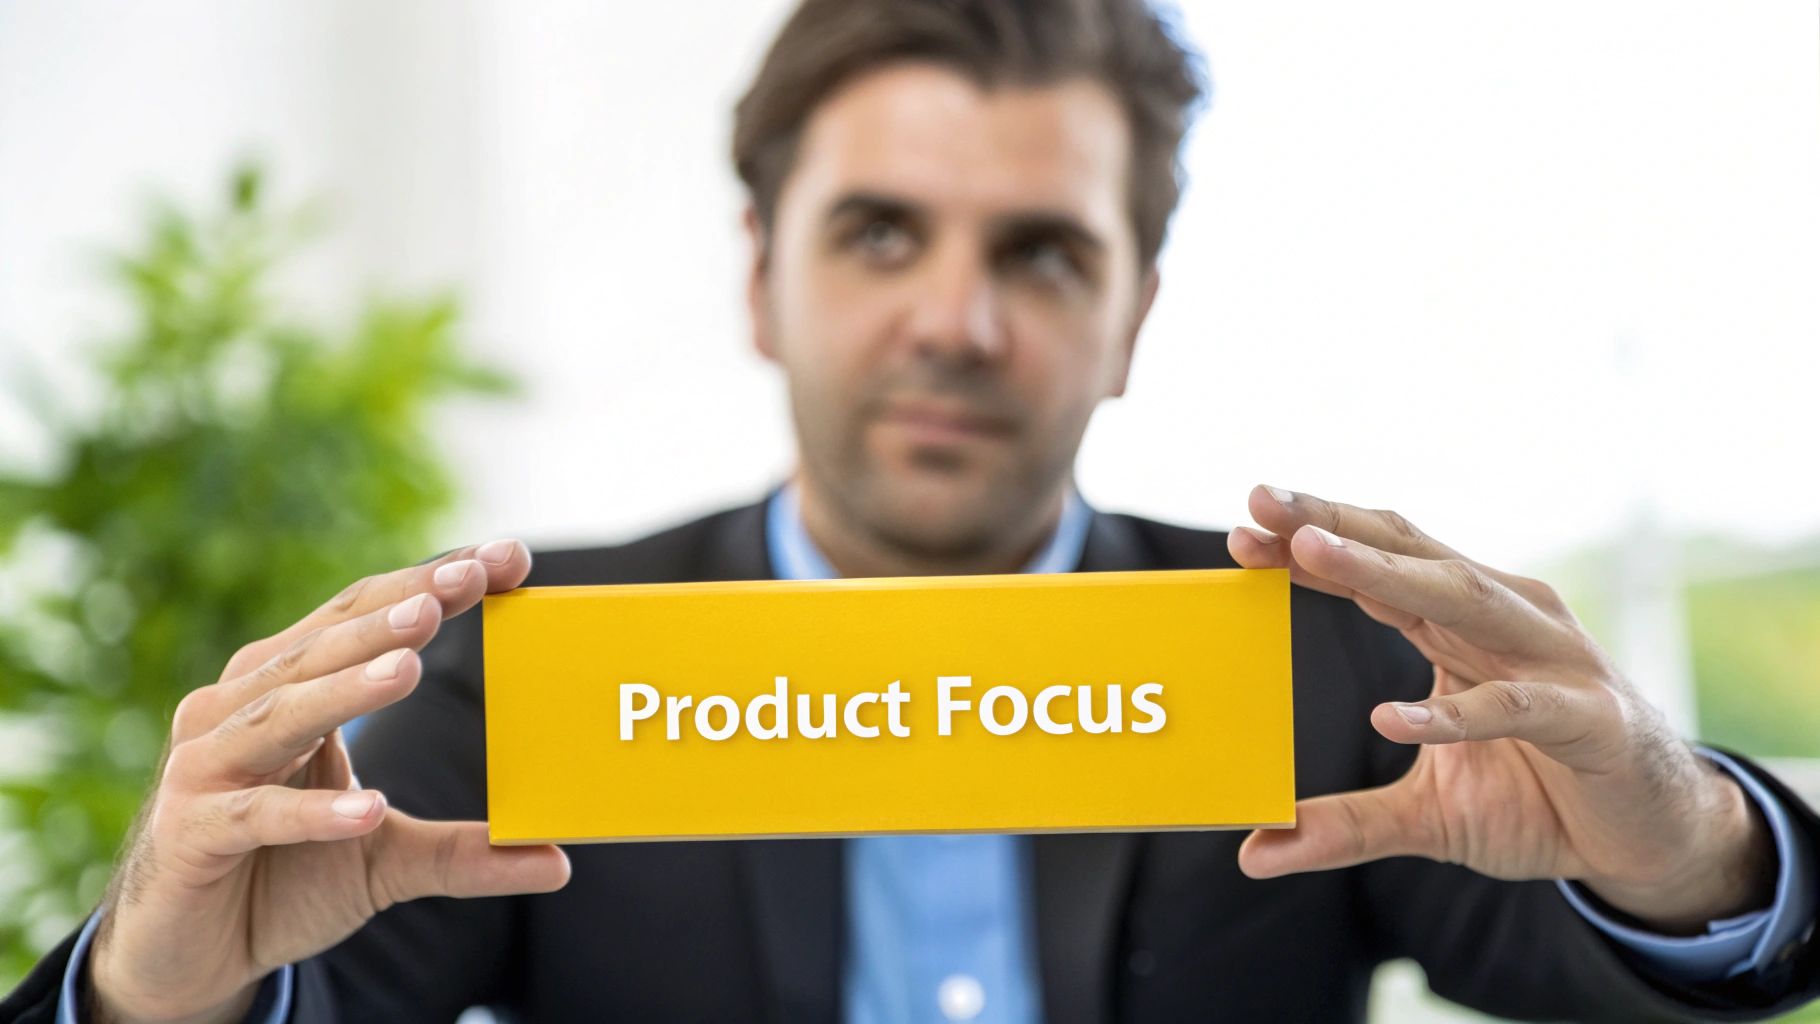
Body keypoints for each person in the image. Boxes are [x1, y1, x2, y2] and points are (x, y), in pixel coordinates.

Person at [5, 0, 1818, 1021]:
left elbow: (1648, 975)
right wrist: (158, 986)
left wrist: (1682, 847)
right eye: (881, 233)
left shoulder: (1323, 652)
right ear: (757, 280)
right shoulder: (518, 676)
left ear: (1133, 318)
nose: (954, 317)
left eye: (1039, 251)